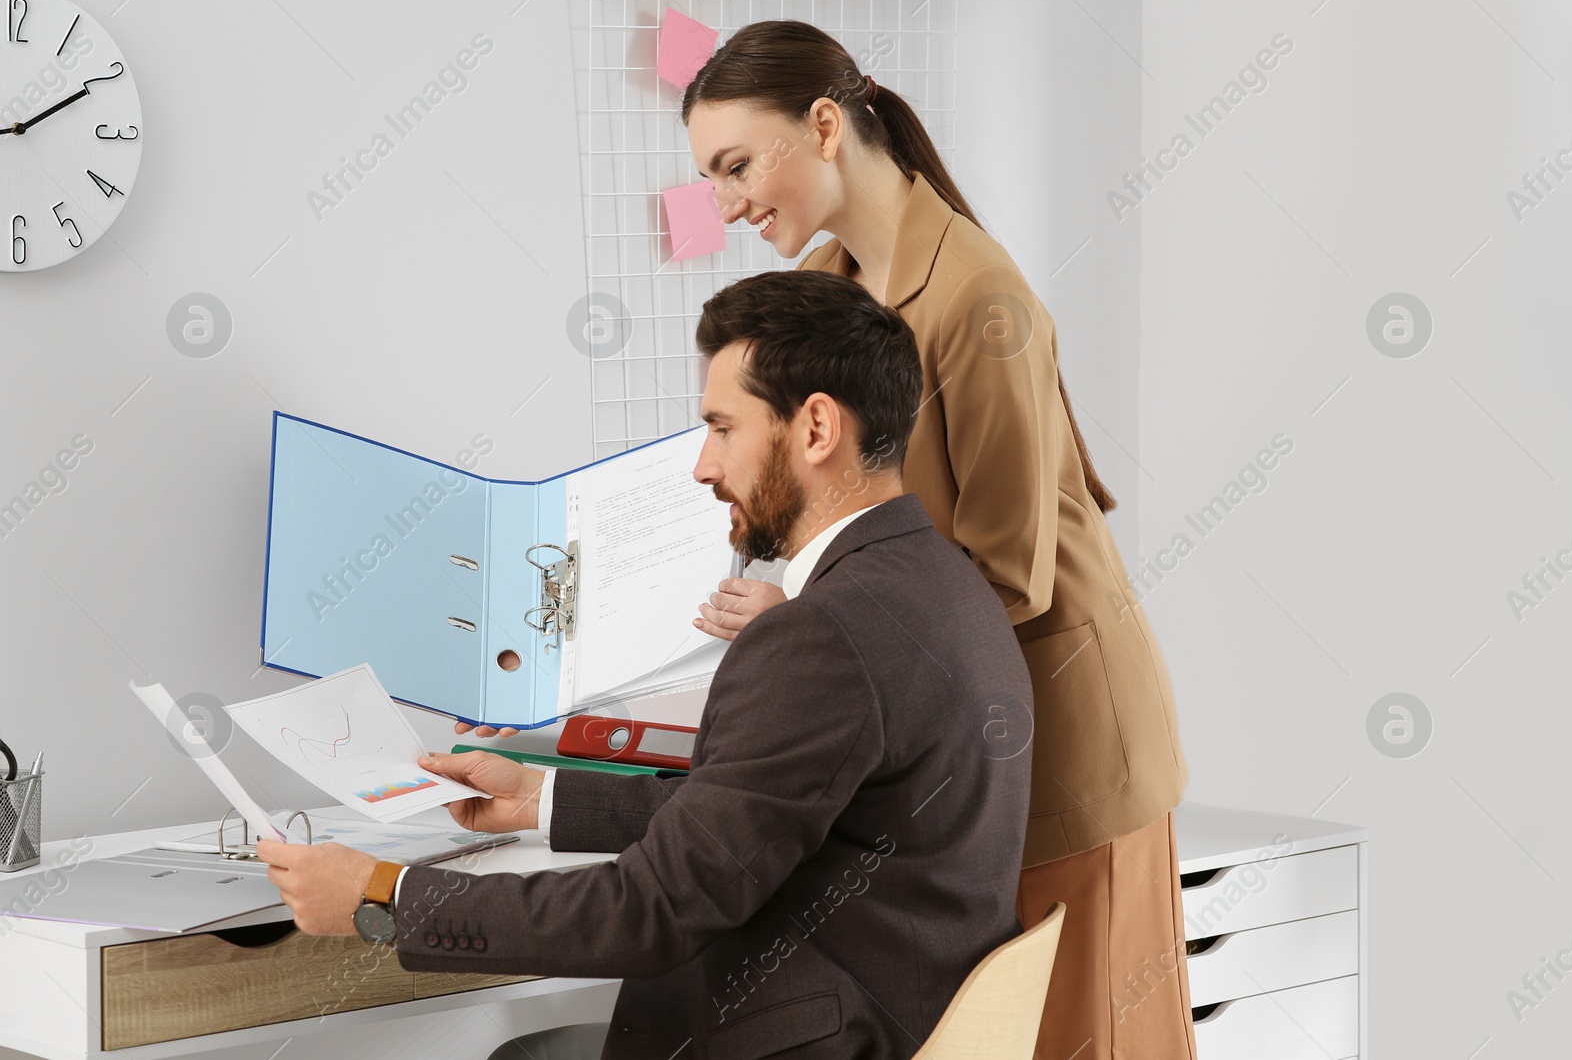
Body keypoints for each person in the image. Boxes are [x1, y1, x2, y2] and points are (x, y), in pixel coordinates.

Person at [258, 269, 1035, 1060]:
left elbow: (653, 910)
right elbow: (752, 816)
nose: (703, 466)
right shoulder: (947, 585)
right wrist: (541, 797)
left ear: (815, 429)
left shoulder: (820, 635)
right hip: (910, 1014)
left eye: (723, 428)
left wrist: (380, 894)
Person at [677, 20, 1196, 1060]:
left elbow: (1004, 576)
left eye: (735, 166)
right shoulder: (830, 278)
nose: (725, 203)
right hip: (953, 744)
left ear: (824, 126)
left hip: (1058, 744)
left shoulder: (981, 301)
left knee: (1077, 1036)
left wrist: (811, 628)